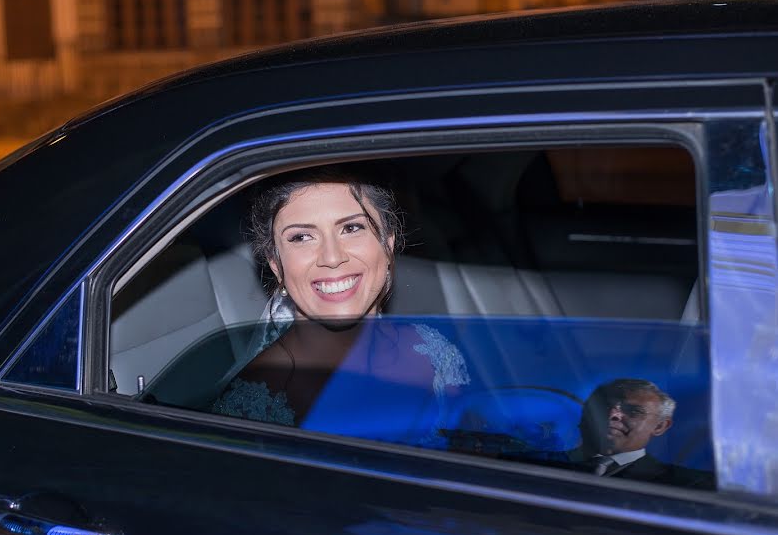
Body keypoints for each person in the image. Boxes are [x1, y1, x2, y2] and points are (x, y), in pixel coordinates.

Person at [210, 166, 470, 446]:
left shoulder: (435, 350)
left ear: (388, 242)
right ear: (276, 264)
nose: (332, 257)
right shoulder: (251, 407)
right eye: (301, 237)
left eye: (351, 228)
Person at [510, 379, 714, 489]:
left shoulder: (688, 486)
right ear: (583, 417)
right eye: (603, 407)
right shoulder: (525, 466)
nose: (613, 415)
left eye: (633, 411)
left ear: (660, 427)